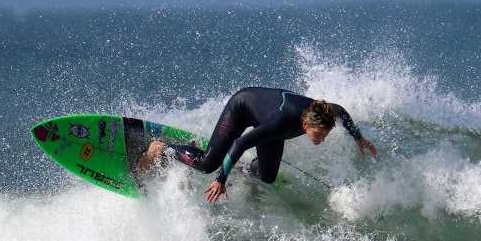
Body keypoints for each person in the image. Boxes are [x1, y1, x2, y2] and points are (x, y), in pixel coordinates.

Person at [136, 87, 377, 203]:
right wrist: (221, 179)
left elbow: (341, 112)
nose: (321, 139)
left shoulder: (323, 113)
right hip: (242, 108)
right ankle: (160, 148)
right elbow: (240, 143)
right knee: (208, 164)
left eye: (325, 134)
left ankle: (244, 170)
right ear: (305, 124)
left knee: (267, 176)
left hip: (268, 118)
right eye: (318, 134)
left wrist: (359, 138)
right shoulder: (282, 124)